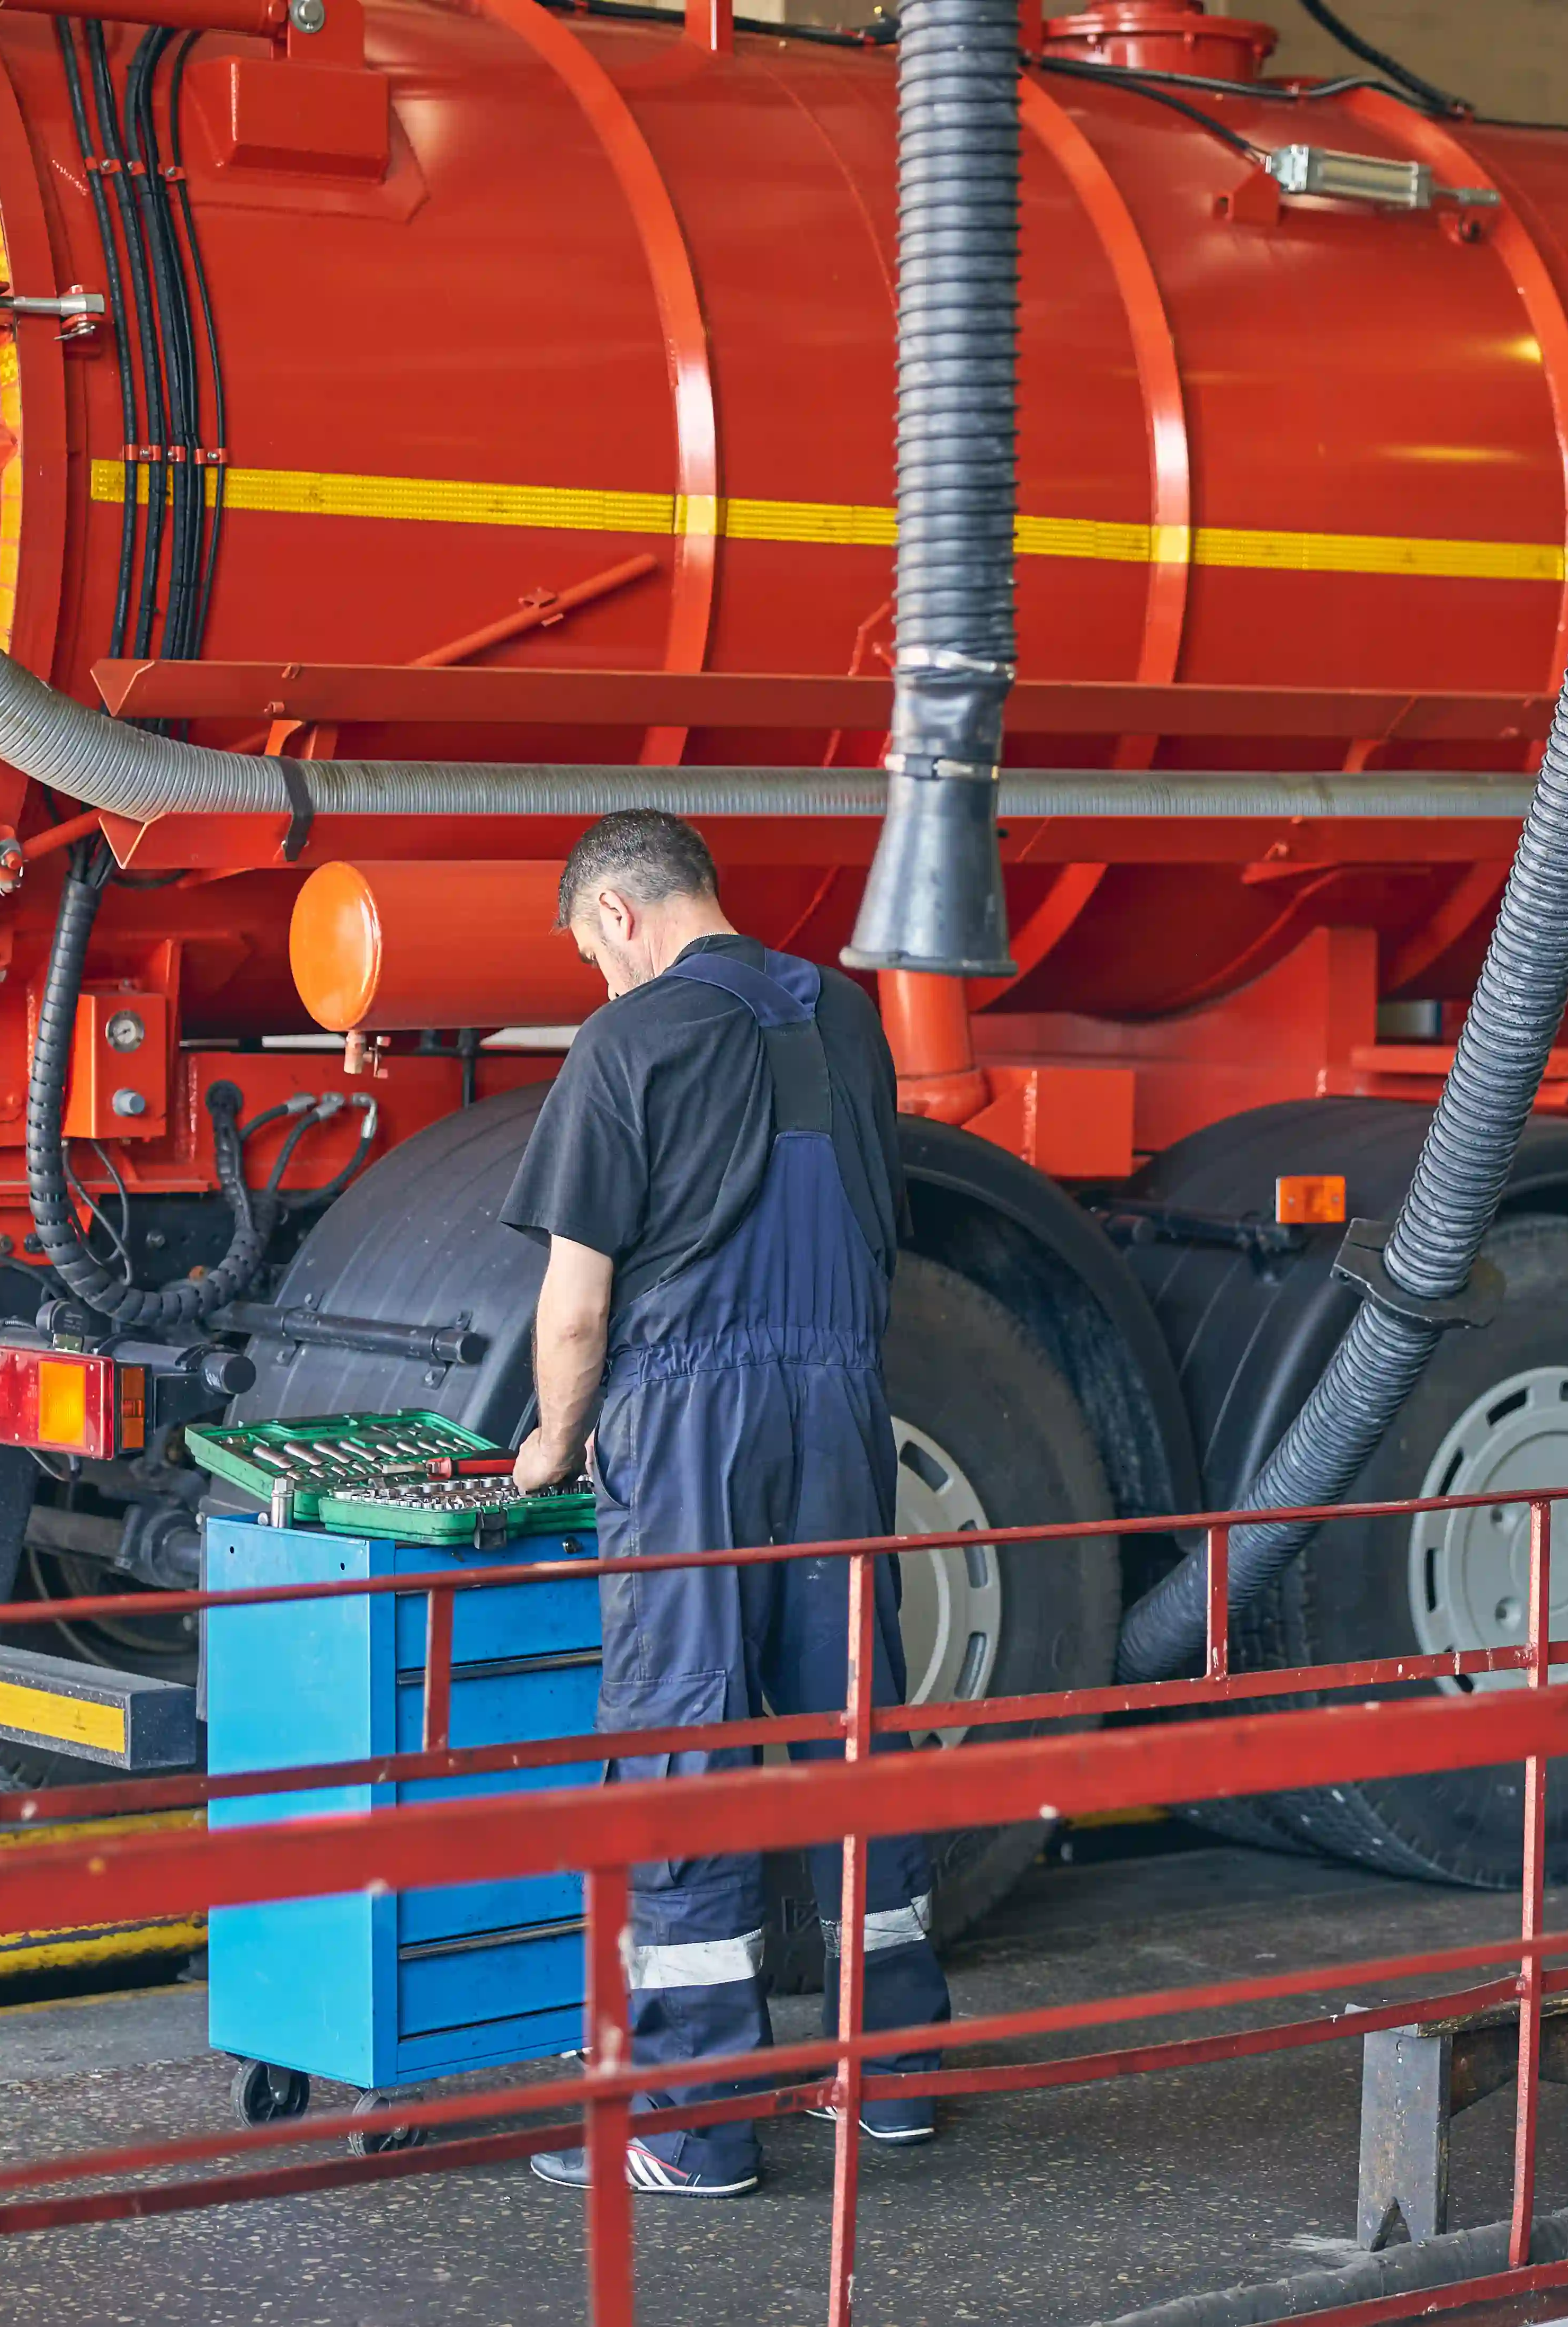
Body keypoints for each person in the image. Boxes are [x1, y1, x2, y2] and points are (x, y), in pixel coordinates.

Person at [502, 809, 949, 2199]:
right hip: (840, 1406)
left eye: (591, 950)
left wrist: (549, 1447)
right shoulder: (852, 1020)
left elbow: (577, 1309)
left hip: (692, 1421)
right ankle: (895, 2086)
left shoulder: (626, 1042)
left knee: (682, 1743)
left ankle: (688, 2127)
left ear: (620, 916)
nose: (599, 975)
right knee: (853, 1731)